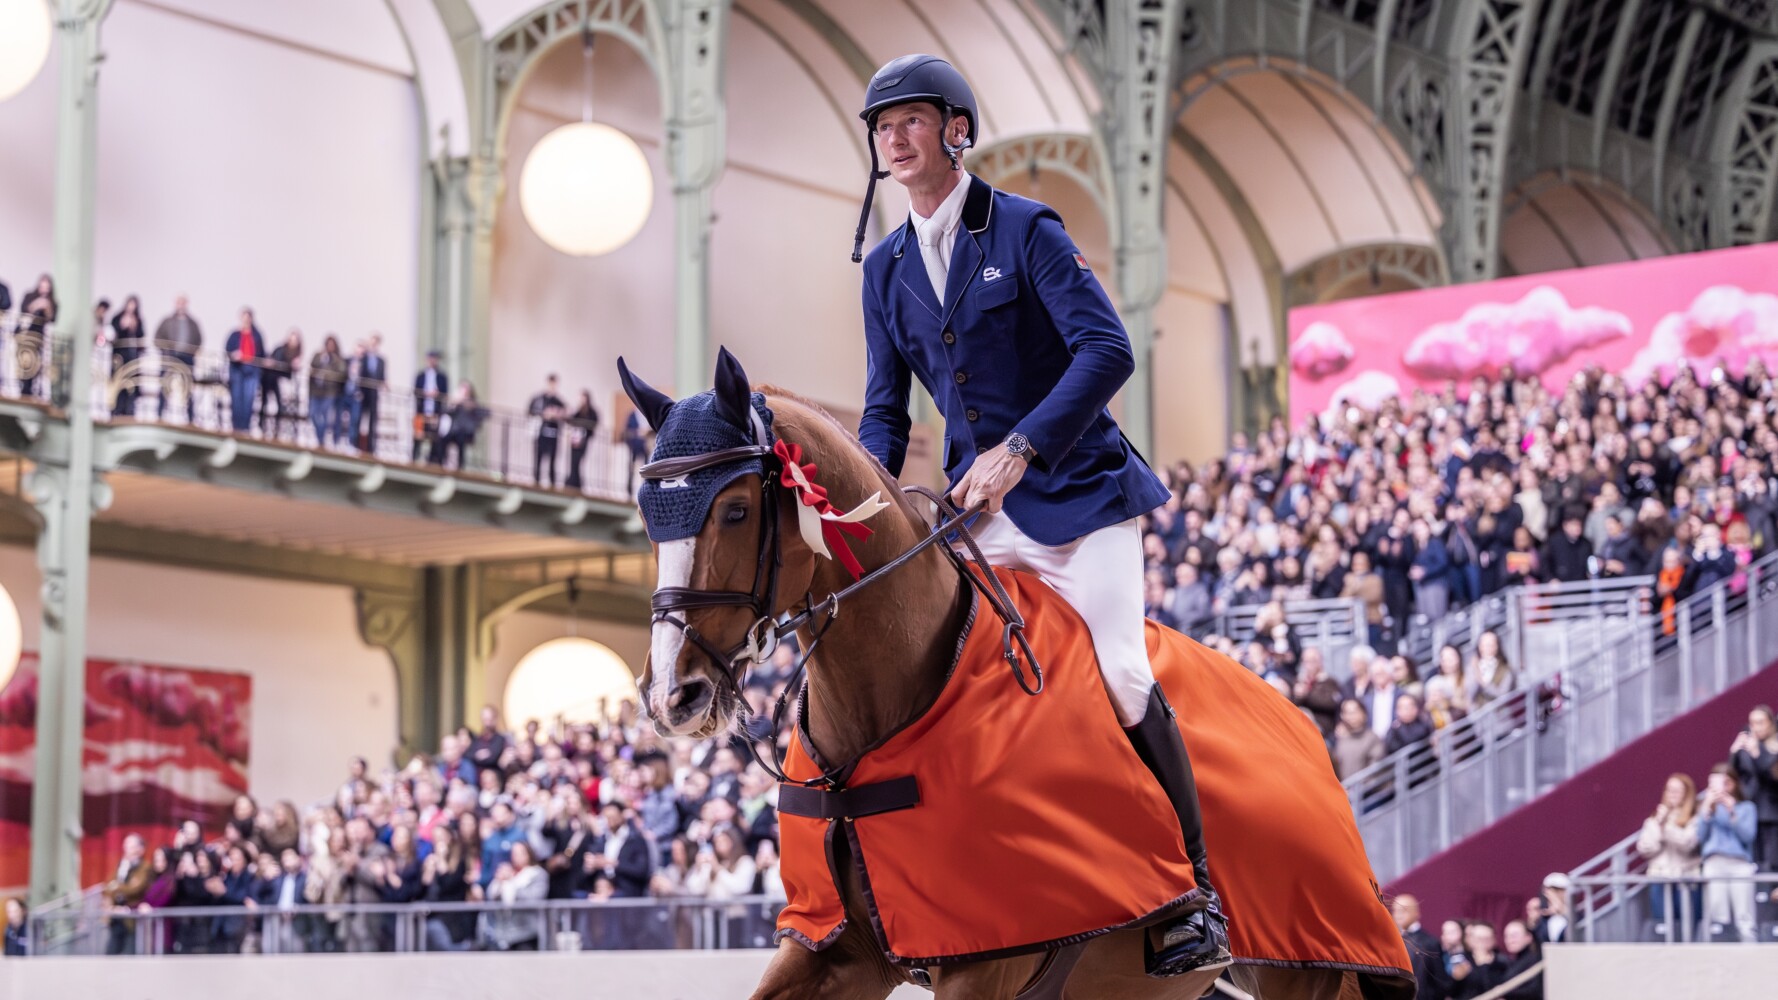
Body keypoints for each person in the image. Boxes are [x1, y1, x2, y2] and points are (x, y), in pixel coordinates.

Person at [851, 52, 1225, 975]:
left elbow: (1107, 350)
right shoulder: (884, 268)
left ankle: (1195, 891)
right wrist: (864, 503)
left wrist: (1020, 449)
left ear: (957, 131)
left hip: (1078, 496)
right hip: (974, 517)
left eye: (912, 121)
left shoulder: (1024, 230)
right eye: (882, 127)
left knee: (1121, 673)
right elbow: (887, 411)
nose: (895, 139)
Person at [1696, 763, 1758, 942]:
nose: (1723, 787)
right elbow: (1700, 836)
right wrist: (1707, 809)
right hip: (1714, 862)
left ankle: (1750, 950)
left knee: (1744, 913)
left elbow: (1748, 836)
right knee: (1717, 911)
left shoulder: (1746, 807)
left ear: (1735, 784)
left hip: (1740, 864)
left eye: (1727, 782)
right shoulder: (1706, 807)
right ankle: (1717, 951)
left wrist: (1732, 812)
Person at [1637, 772, 1701, 937]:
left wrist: (1666, 828)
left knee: (1688, 927)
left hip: (1686, 879)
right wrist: (1660, 825)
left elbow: (1688, 844)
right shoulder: (1654, 819)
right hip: (1660, 877)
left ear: (1687, 794)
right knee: (1663, 926)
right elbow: (1644, 848)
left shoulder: (1695, 819)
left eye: (1677, 791)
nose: (1672, 794)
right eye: (1669, 790)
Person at [1731, 706, 1778, 869]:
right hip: (1748, 811)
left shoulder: (1773, 749)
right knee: (1753, 863)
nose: (1755, 727)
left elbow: (1773, 779)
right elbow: (1731, 778)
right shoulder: (1745, 751)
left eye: (1760, 722)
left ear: (1771, 724)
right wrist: (1734, 754)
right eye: (1752, 723)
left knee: (1771, 862)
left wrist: (1758, 754)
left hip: (1771, 815)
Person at [482, 841, 548, 951]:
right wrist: (498, 882)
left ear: (528, 854)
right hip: (502, 933)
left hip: (526, 933)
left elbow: (534, 899)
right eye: (513, 853)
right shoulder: (507, 872)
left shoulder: (537, 874)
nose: (515, 856)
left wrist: (511, 882)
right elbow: (491, 897)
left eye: (519, 853)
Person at [153, 294, 202, 420]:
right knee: (165, 384)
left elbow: (199, 340)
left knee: (188, 386)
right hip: (169, 357)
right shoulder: (167, 321)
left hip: (187, 358)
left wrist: (191, 351)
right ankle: (159, 414)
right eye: (179, 302)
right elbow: (157, 339)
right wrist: (166, 349)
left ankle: (191, 417)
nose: (181, 305)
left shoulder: (193, 323)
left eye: (183, 302)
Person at [1393, 894, 1452, 1000]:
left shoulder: (1430, 943)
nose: (1398, 914)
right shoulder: (1392, 941)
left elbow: (1440, 980)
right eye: (1395, 910)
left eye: (1404, 910)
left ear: (1416, 913)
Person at [103, 833, 152, 954]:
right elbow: (107, 887)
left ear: (140, 849)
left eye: (130, 846)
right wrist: (120, 881)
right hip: (116, 917)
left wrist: (117, 887)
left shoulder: (145, 867)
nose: (126, 850)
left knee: (130, 954)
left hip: (132, 919)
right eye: (125, 846)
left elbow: (135, 889)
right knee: (110, 954)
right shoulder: (122, 866)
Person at [224, 308, 266, 433]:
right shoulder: (235, 335)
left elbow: (261, 353)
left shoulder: (257, 335)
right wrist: (234, 355)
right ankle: (236, 427)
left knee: (248, 399)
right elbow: (227, 350)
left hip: (252, 370)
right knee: (236, 398)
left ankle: (245, 428)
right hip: (237, 369)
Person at [15, 275, 56, 398]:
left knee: (37, 363)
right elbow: (24, 310)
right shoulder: (30, 296)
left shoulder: (51, 301)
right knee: (25, 360)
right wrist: (37, 304)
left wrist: (47, 307)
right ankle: (23, 387)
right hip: (27, 333)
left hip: (40, 337)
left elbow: (52, 318)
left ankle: (32, 389)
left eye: (47, 286)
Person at [429, 381, 486, 470]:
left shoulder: (473, 403)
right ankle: (441, 462)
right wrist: (454, 404)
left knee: (460, 439)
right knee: (442, 438)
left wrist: (472, 407)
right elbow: (446, 412)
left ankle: (460, 466)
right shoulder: (457, 403)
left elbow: (484, 413)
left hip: (466, 431)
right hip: (454, 430)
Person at [261, 329, 303, 439]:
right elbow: (271, 359)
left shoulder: (296, 355)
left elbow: (292, 369)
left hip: (283, 382)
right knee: (265, 403)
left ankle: (277, 429)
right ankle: (263, 426)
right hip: (271, 379)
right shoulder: (280, 349)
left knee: (280, 406)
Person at [109, 295, 146, 417]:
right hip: (119, 357)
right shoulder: (118, 317)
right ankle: (116, 409)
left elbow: (141, 336)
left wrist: (134, 327)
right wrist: (122, 325)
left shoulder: (138, 320)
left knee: (131, 384)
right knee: (119, 383)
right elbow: (112, 331)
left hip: (132, 357)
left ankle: (129, 409)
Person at [308, 335, 347, 448]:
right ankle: (320, 437)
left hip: (329, 392)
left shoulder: (338, 359)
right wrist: (321, 358)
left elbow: (342, 372)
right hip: (316, 390)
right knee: (313, 414)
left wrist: (332, 360)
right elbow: (312, 366)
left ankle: (321, 440)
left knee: (325, 415)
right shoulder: (318, 356)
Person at [1331, 699, 1385, 781]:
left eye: (1353, 712)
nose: (1350, 716)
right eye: (1346, 712)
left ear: (1364, 714)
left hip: (1364, 790)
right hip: (1342, 788)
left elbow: (1375, 769)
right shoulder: (1339, 738)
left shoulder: (1372, 738)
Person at [529, 374, 566, 488]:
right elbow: (531, 410)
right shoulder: (539, 399)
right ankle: (536, 482)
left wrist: (556, 415)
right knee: (538, 458)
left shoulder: (558, 401)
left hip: (553, 434)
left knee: (552, 460)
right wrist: (544, 414)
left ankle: (552, 484)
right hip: (541, 433)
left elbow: (565, 413)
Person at [413, 350, 450, 461]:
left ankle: (433, 460)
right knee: (418, 435)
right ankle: (415, 458)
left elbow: (445, 394)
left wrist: (437, 395)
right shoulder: (420, 375)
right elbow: (416, 391)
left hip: (435, 411)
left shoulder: (442, 377)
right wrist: (426, 394)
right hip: (422, 410)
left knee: (435, 438)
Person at [355, 333, 386, 453]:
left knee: (373, 420)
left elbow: (382, 377)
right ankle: (357, 444)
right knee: (359, 418)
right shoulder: (363, 358)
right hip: (363, 392)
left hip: (374, 393)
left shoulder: (381, 361)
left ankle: (371, 447)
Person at [565, 390, 599, 491]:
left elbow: (593, 423)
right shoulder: (578, 410)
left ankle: (577, 483)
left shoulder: (591, 412)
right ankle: (572, 481)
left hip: (584, 440)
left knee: (578, 461)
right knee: (573, 461)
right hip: (575, 439)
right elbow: (571, 419)